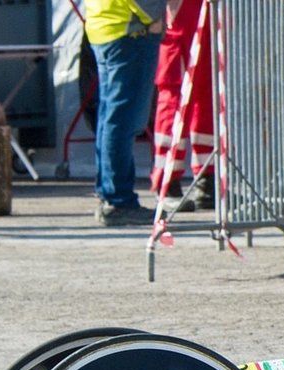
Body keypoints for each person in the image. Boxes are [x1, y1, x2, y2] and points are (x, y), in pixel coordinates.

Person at [85, 0, 164, 226]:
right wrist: (154, 15)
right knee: (121, 120)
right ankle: (118, 199)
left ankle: (110, 194)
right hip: (130, 31)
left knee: (110, 119)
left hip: (106, 27)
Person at [150, 0, 215, 211]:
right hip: (179, 14)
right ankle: (167, 183)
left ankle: (207, 178)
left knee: (207, 95)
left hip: (207, 10)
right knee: (174, 96)